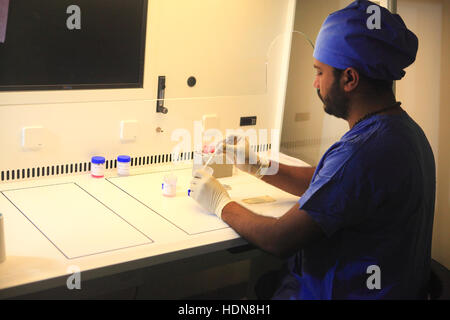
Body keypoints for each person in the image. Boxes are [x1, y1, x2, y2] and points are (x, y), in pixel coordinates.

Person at [189, 0, 436, 299]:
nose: (315, 83)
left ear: (349, 78)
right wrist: (258, 165)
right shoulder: (402, 130)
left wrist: (219, 202)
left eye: (320, 71)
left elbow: (279, 239)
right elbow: (332, 187)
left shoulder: (362, 152)